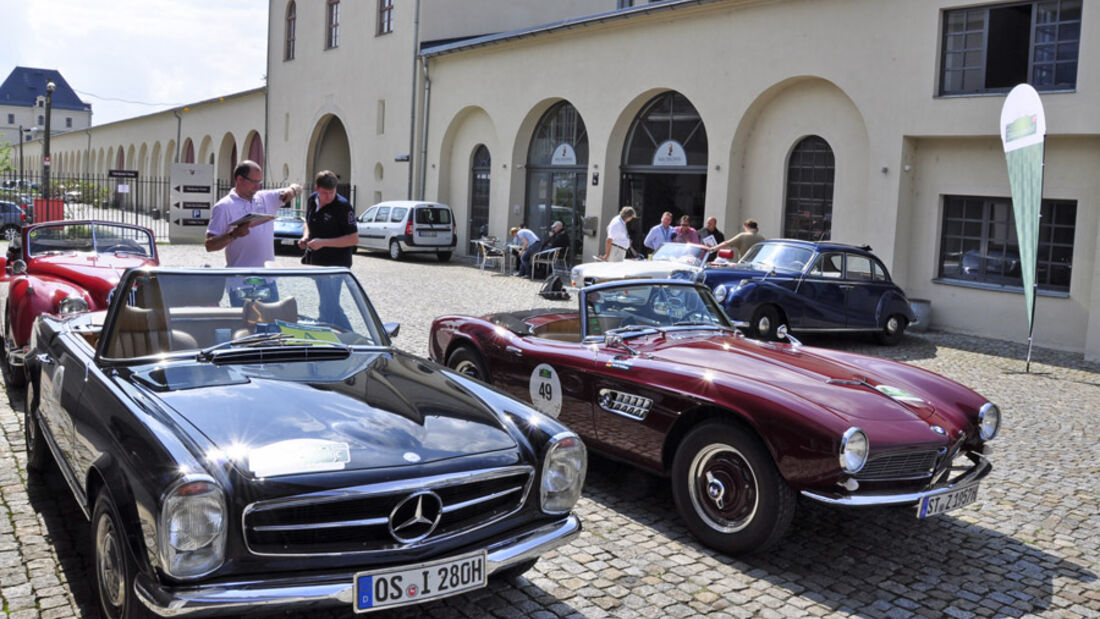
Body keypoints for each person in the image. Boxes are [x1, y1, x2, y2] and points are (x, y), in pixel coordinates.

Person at [206, 160, 301, 305]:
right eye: (253, 182)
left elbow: (298, 187)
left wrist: (292, 191)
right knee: (246, 325)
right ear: (239, 179)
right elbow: (209, 245)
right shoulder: (223, 207)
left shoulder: (265, 197)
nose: (257, 186)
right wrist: (233, 235)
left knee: (271, 324)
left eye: (259, 182)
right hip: (241, 281)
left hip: (267, 279)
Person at [299, 170, 358, 330]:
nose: (329, 196)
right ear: (317, 188)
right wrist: (306, 236)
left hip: (336, 265)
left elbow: (353, 238)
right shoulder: (312, 199)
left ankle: (323, 335)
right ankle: (353, 339)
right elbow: (307, 222)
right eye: (325, 193)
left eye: (332, 192)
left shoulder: (343, 206)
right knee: (331, 304)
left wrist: (324, 242)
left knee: (327, 307)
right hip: (318, 263)